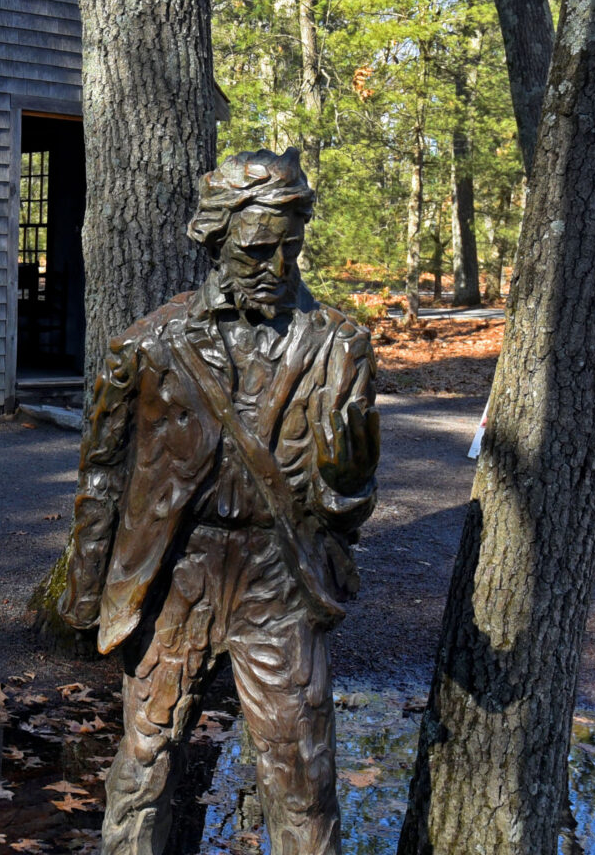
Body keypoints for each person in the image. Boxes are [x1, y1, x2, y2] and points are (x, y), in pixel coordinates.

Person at [59, 148, 379, 855]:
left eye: (290, 247)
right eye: (260, 248)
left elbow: (345, 507)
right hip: (179, 576)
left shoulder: (339, 347)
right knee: (142, 769)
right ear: (217, 238)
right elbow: (104, 477)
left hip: (277, 579)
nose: (279, 266)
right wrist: (86, 593)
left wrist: (352, 472)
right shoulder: (149, 345)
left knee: (302, 777)